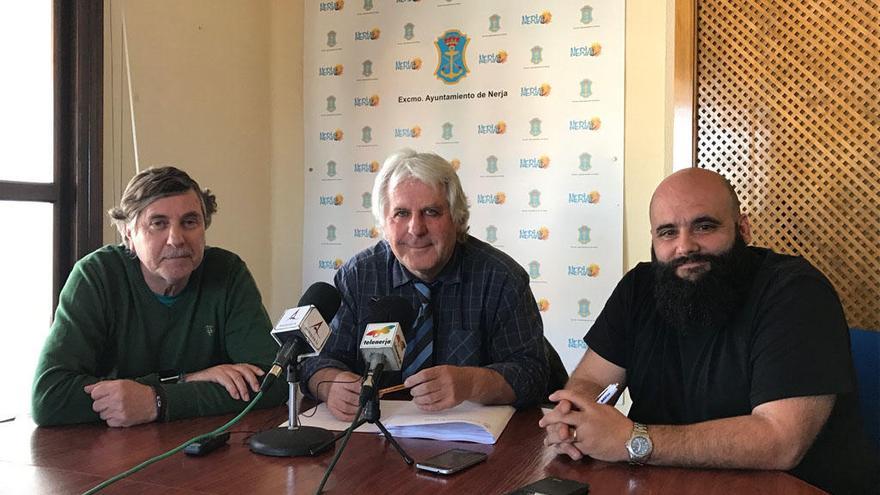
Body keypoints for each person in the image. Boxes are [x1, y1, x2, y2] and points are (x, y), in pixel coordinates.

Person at [540, 168, 879, 494]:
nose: (685, 246)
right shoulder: (638, 288)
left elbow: (780, 441)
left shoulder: (795, 291)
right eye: (668, 232)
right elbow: (594, 380)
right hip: (664, 483)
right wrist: (574, 417)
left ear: (743, 229)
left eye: (704, 226)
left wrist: (633, 439)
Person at [301, 149, 549, 421]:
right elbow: (317, 362)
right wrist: (330, 384)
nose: (416, 229)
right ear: (384, 222)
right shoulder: (359, 275)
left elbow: (534, 374)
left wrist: (471, 383)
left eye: (431, 212)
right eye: (401, 213)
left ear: (457, 219)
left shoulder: (500, 278)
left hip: (470, 443)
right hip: (374, 436)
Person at [32, 166, 286, 427]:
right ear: (128, 234)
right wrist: (185, 381)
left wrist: (157, 400)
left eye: (189, 222)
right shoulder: (97, 276)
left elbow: (274, 383)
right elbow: (49, 397)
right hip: (109, 453)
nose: (176, 239)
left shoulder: (227, 273)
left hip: (205, 449)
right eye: (158, 224)